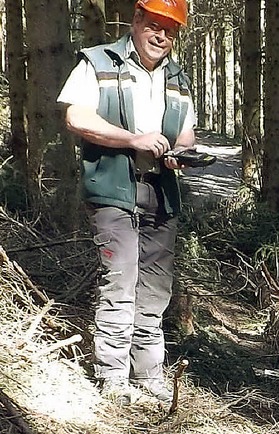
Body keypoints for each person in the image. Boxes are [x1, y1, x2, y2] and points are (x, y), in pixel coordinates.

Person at [57, 0, 195, 406]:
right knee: (120, 281)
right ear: (136, 21)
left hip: (161, 192)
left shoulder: (178, 78)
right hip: (113, 188)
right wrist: (132, 139)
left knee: (155, 288)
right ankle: (113, 376)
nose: (161, 37)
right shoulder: (98, 62)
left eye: (170, 31)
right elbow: (76, 118)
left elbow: (185, 133)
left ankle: (149, 374)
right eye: (154, 26)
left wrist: (179, 152)